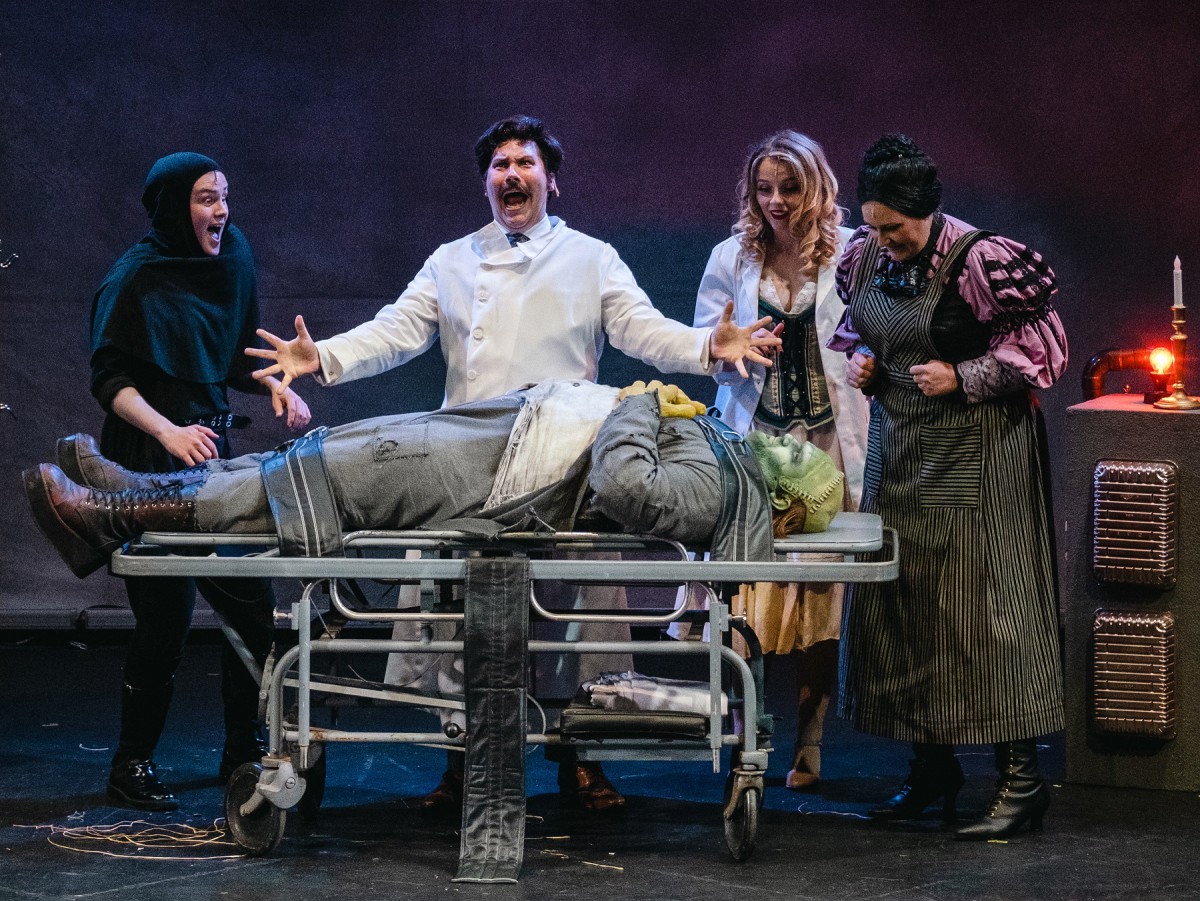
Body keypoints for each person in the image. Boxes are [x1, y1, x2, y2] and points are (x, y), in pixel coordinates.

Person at [245, 115, 781, 811]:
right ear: (487, 184)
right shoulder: (453, 260)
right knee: (457, 616)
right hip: (467, 464)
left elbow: (641, 328)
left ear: (550, 179)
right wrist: (326, 357)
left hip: (564, 461)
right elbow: (396, 330)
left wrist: (707, 346)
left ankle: (581, 755)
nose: (510, 175)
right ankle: (459, 756)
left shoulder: (590, 257)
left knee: (581, 615)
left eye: (523, 163)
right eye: (498, 166)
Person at [829, 134, 1067, 840]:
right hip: (901, 454)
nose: (883, 240)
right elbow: (864, 329)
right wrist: (868, 362)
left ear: (928, 211)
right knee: (910, 613)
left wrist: (965, 376)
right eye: (873, 225)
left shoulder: (982, 260)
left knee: (989, 618)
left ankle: (1022, 784)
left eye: (895, 228)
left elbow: (1044, 346)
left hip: (981, 459)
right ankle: (932, 769)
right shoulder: (864, 256)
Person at [83, 152, 311, 811]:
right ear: (173, 207)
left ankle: (241, 753)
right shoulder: (135, 276)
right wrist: (166, 431)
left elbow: (235, 353)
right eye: (207, 199)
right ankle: (131, 762)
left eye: (225, 197)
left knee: (250, 607)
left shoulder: (231, 255)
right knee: (167, 621)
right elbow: (109, 381)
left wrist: (276, 385)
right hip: (149, 459)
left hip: (212, 459)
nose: (222, 211)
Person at [692, 131, 869, 791]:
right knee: (748, 597)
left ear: (815, 186)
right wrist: (730, 347)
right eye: (765, 189)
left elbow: (874, 331)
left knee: (820, 598)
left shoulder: (853, 254)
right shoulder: (730, 257)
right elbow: (706, 342)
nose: (776, 202)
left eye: (789, 188)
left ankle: (812, 735)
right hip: (756, 444)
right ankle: (751, 733)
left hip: (825, 444)